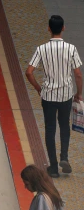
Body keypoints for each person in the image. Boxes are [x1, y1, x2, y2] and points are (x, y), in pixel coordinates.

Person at [26, 15, 83, 178]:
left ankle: (53, 167)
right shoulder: (71, 49)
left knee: (50, 129)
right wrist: (79, 94)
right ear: (63, 28)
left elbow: (29, 72)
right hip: (65, 95)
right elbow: (78, 74)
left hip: (48, 96)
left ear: (49, 29)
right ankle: (64, 157)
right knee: (64, 125)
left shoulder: (41, 49)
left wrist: (38, 88)